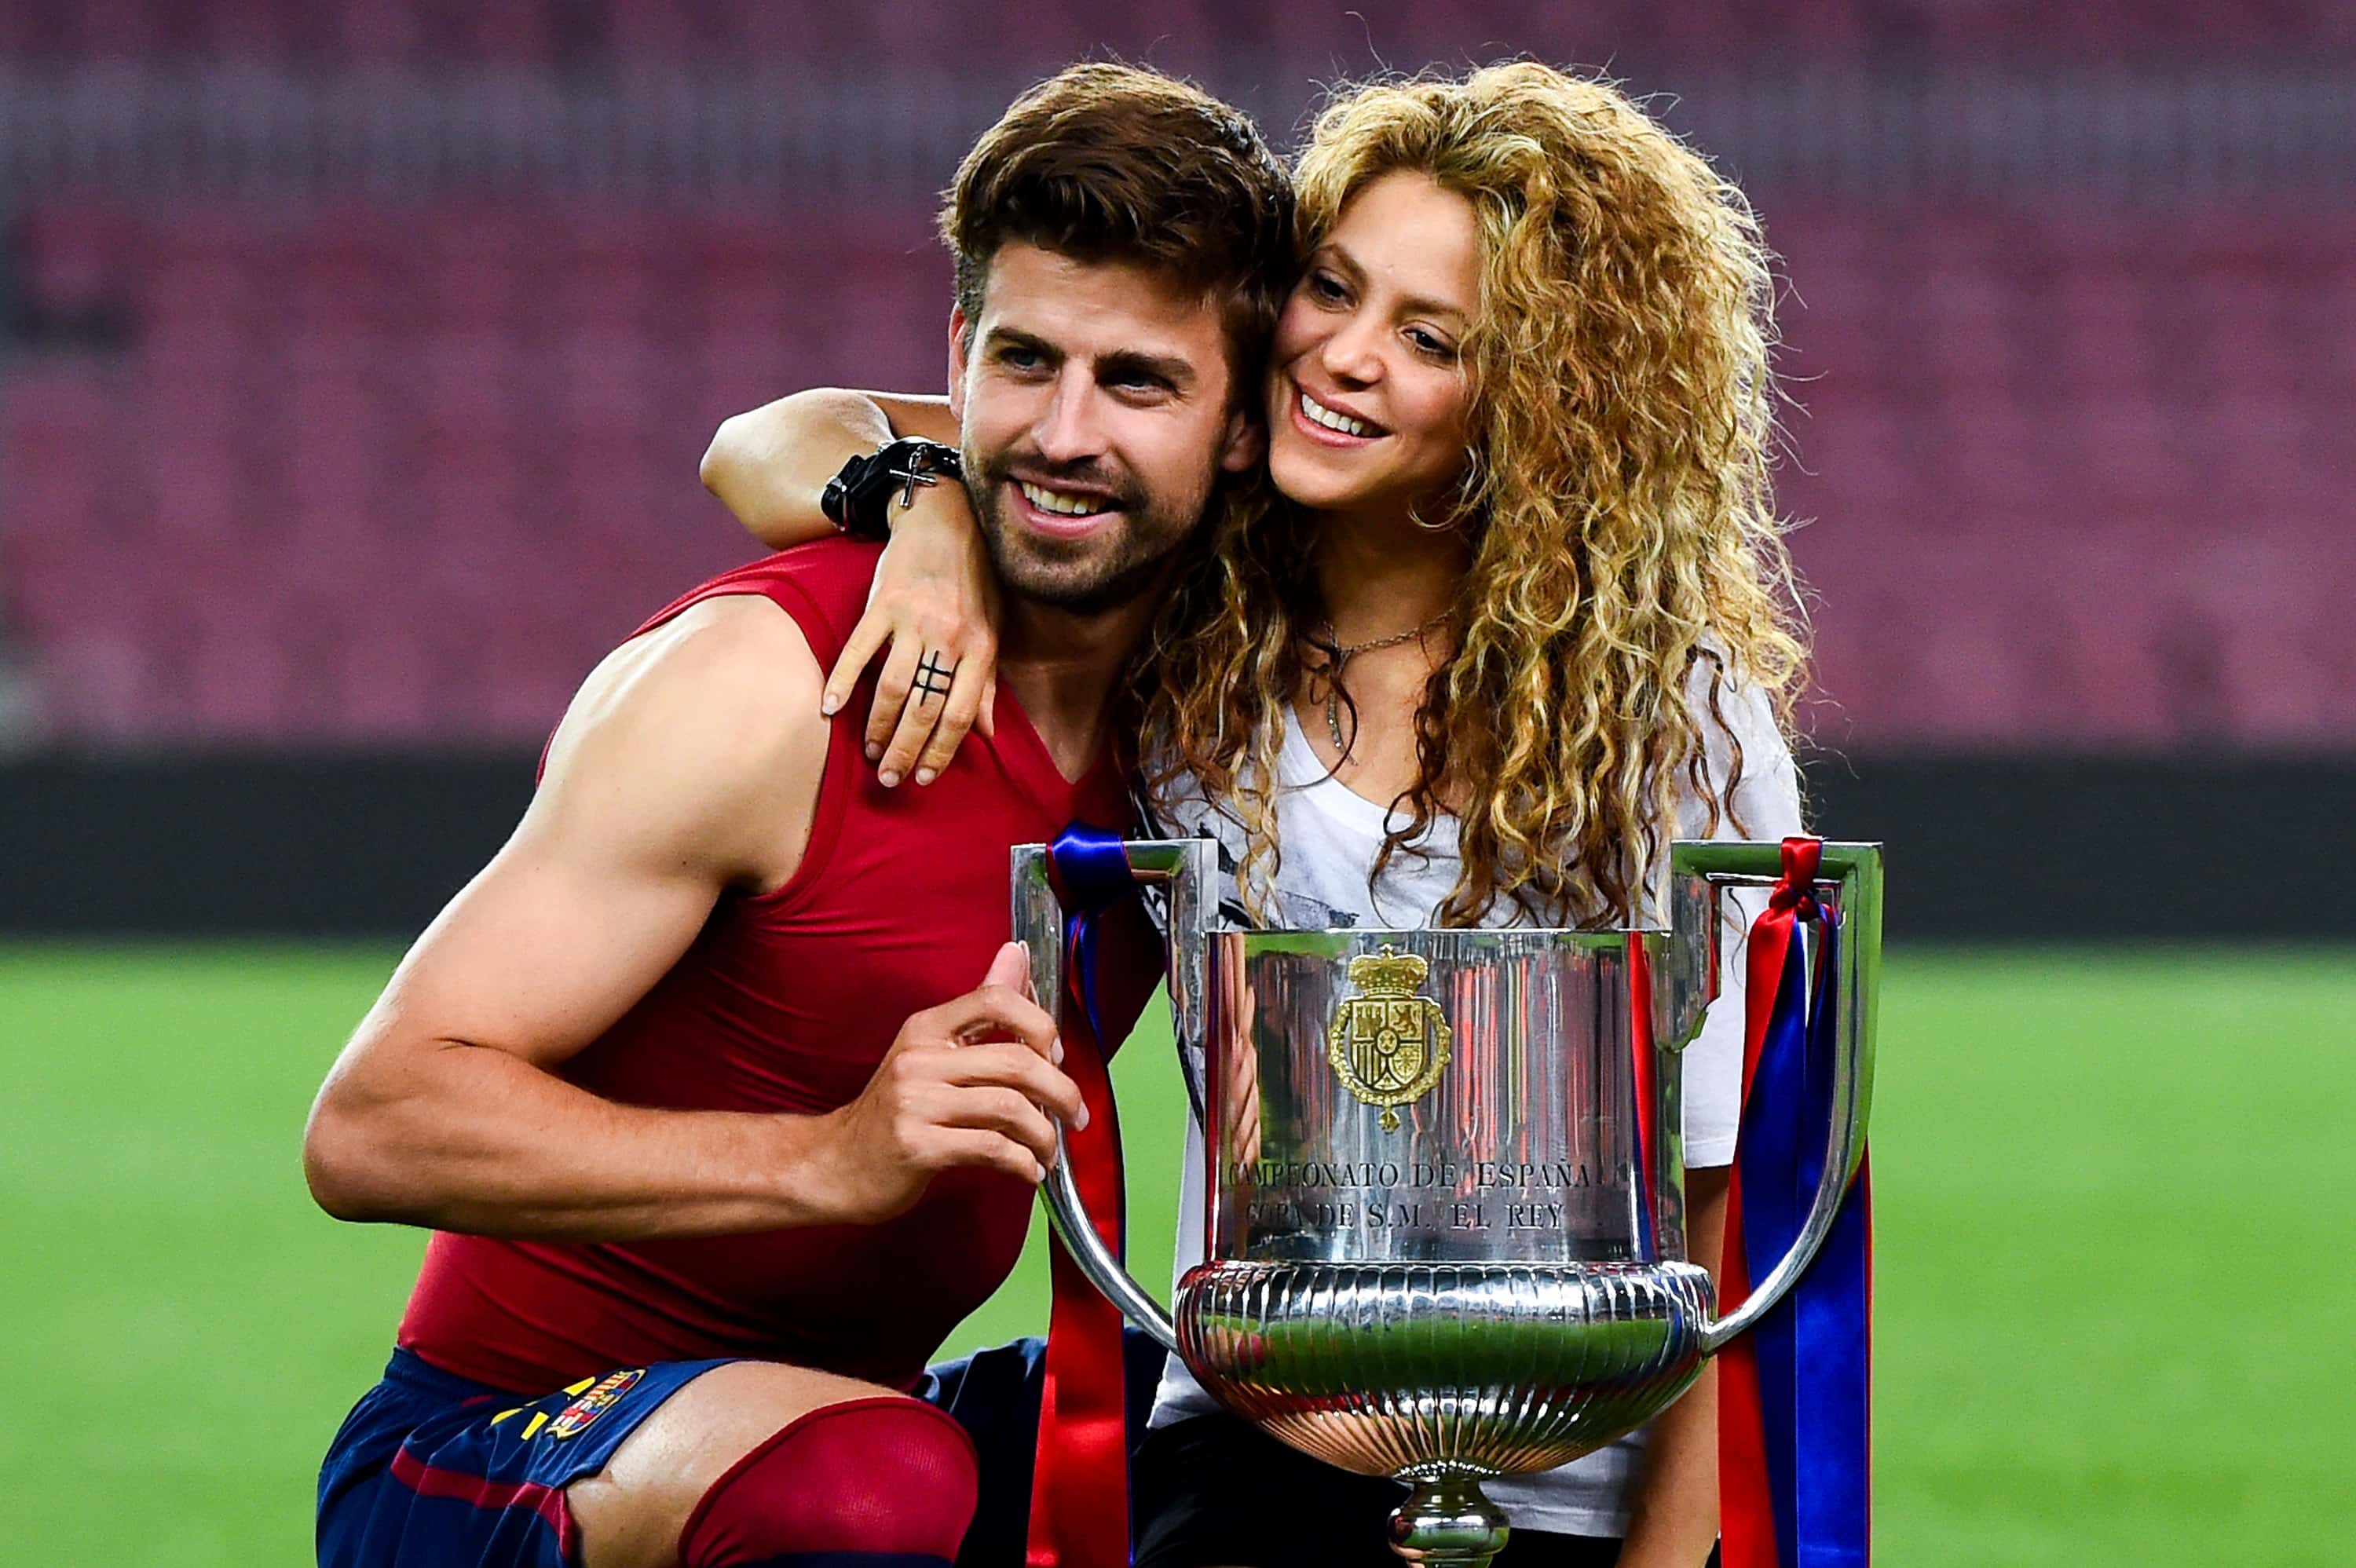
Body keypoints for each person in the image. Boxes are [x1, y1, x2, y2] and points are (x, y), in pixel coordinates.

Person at [700, 62, 1806, 1568]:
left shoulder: (1662, 709)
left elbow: (1719, 1198)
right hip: (1248, 1444)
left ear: (1539, 399)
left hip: (1565, 1484)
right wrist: (930, 511)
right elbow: (766, 439)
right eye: (1331, 290)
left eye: (1428, 338)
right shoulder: (1190, 600)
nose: (1344, 358)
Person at [303, 62, 1292, 1568]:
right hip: (496, 1452)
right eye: (1023, 362)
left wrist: (927, 497)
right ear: (957, 351)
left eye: (1139, 381)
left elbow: (786, 433)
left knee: (1282, 1438)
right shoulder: (774, 684)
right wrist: (828, 1157)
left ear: (1240, 423)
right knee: (873, 1493)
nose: (1064, 434)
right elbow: (370, 1124)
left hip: (855, 1414)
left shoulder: (1210, 694)